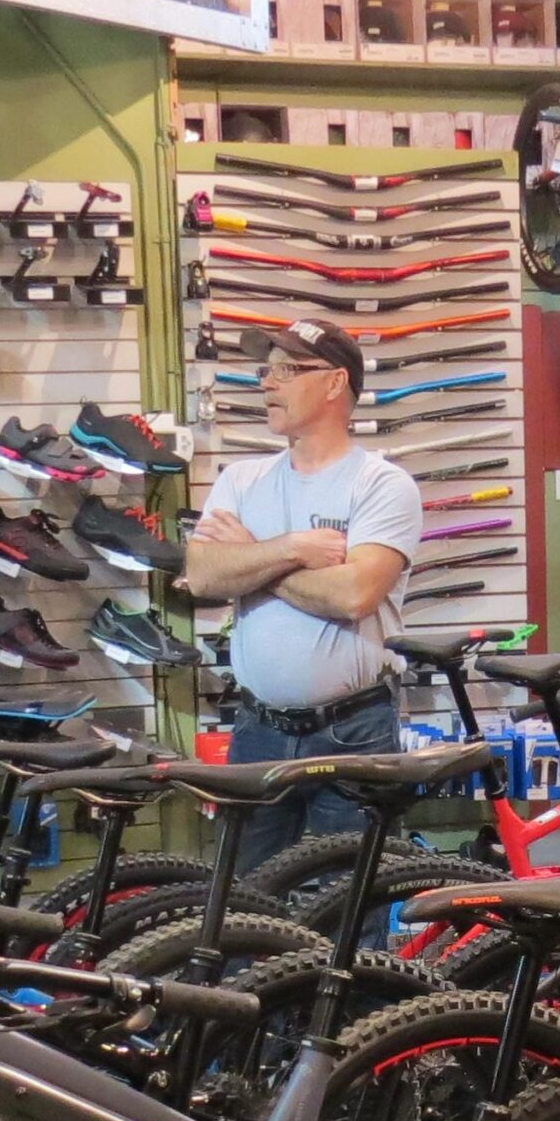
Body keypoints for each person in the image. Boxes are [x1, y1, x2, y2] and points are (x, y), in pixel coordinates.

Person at [184, 317, 421, 870]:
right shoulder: (240, 480)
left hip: (354, 732)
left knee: (347, 912)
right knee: (242, 909)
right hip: (257, 728)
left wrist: (251, 556)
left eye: (287, 369)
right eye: (266, 370)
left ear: (336, 383)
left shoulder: (382, 485)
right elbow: (201, 576)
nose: (267, 382)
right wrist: (291, 548)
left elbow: (353, 595)